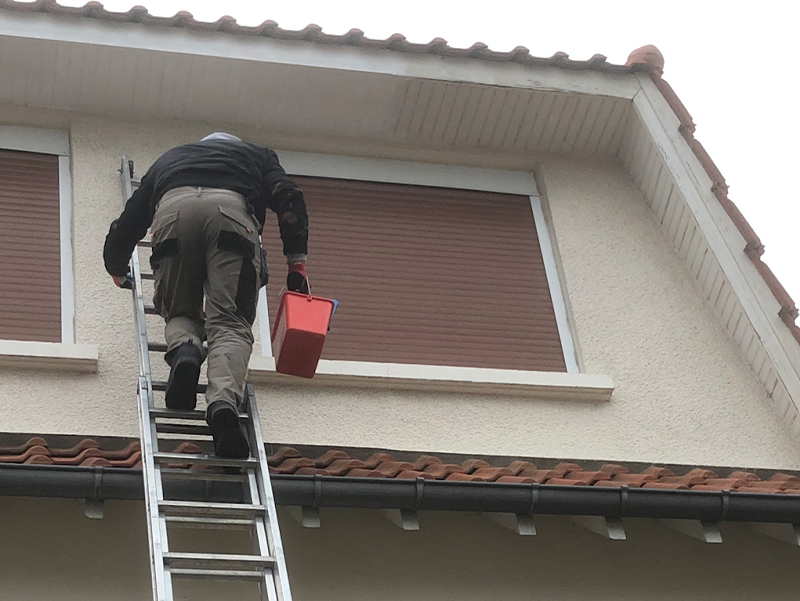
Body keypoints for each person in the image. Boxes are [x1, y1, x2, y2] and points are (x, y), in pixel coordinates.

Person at [104, 133, 309, 458]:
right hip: (232, 217)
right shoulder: (257, 156)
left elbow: (130, 220)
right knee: (230, 323)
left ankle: (186, 351)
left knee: (180, 311)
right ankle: (222, 407)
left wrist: (116, 266)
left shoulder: (168, 160)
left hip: (173, 213)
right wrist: (296, 265)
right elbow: (289, 198)